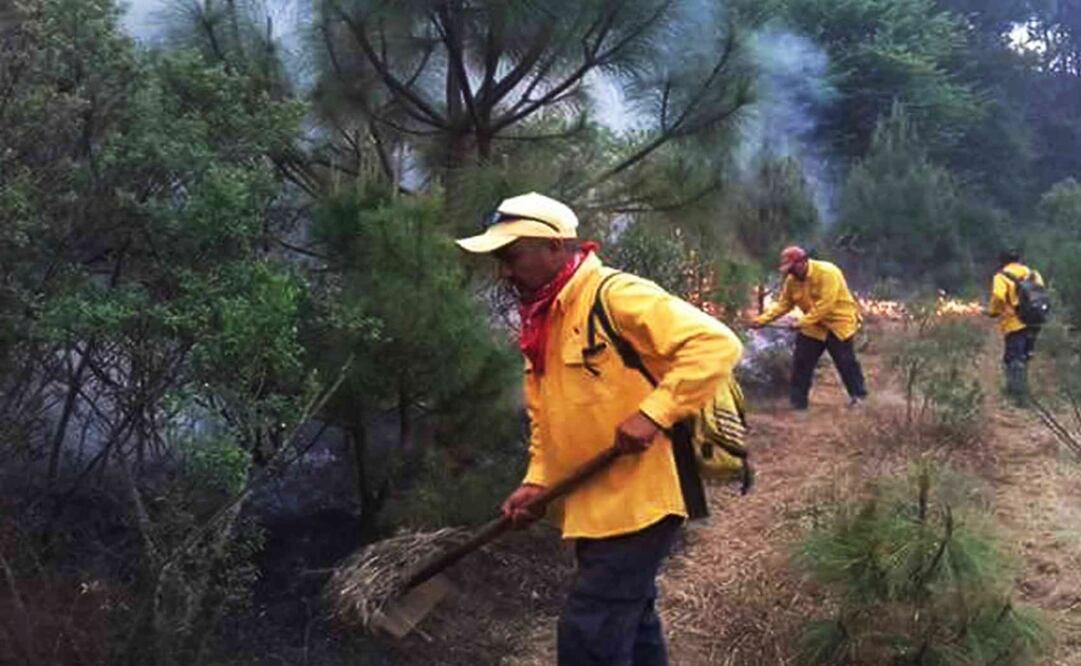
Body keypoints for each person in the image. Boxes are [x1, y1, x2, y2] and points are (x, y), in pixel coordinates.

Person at [456, 192, 742, 666]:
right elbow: (547, 415)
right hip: (594, 500)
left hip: (642, 498)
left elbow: (716, 343)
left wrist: (652, 414)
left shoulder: (615, 295)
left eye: (511, 256)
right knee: (632, 619)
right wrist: (538, 479)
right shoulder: (545, 318)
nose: (504, 271)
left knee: (590, 633)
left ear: (554, 247)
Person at [749, 246, 867, 410]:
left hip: (838, 324)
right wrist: (762, 320)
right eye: (788, 269)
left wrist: (800, 323)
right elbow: (784, 304)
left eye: (792, 268)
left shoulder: (828, 273)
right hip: (813, 326)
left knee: (845, 362)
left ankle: (858, 397)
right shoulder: (792, 280)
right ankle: (798, 403)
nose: (790, 272)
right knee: (802, 362)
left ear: (803, 262)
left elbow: (825, 305)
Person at [985, 249, 1045, 404]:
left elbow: (998, 295)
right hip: (1034, 321)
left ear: (1002, 261)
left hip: (1014, 323)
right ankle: (1022, 390)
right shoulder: (1033, 274)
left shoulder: (1001, 277)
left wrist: (993, 311)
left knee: (1013, 358)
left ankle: (1018, 396)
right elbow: (1040, 291)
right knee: (1025, 356)